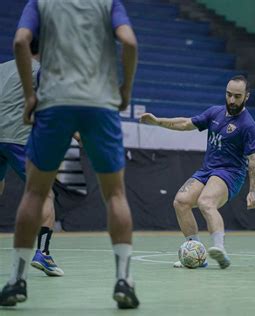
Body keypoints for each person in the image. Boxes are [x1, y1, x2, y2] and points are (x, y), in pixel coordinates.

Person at [0, 0, 139, 309]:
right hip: (99, 105)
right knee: (115, 194)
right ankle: (123, 281)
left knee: (34, 194)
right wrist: (126, 89)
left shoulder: (40, 3)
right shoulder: (108, 3)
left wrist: (29, 96)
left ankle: (16, 280)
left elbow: (21, 41)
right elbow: (129, 41)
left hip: (54, 104)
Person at [140, 75, 255, 269]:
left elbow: (253, 159)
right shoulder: (215, 113)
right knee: (181, 202)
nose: (231, 100)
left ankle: (220, 249)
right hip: (207, 170)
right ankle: (196, 253)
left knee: (206, 202)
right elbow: (186, 123)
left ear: (247, 96)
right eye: (229, 95)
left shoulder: (248, 125)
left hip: (230, 174)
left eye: (237, 96)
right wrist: (157, 122)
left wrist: (253, 190)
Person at [0, 39, 64, 277]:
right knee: (46, 193)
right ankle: (43, 254)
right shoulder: (40, 72)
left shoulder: (1, 68)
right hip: (19, 139)